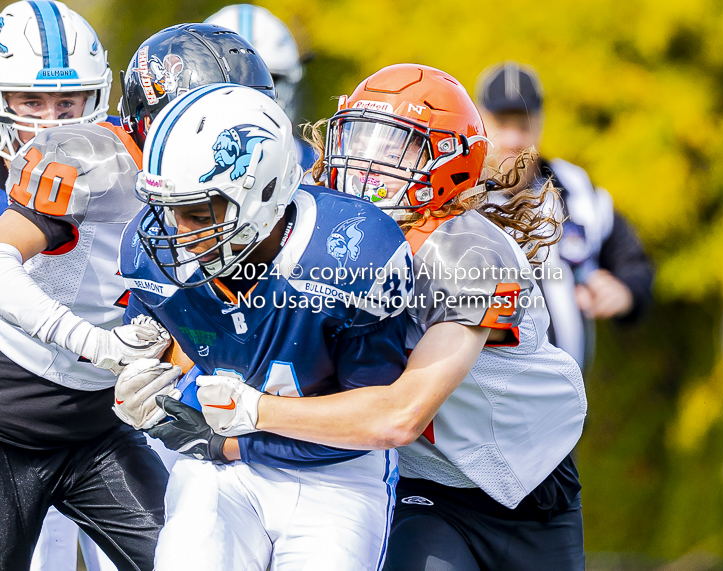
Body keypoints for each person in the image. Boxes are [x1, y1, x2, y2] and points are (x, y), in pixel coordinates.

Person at [196, 64, 588, 570]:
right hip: (423, 488)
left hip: (529, 482)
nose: (367, 162)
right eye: (360, 138)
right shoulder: (319, 229)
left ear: (449, 162)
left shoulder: (467, 255)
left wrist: (251, 416)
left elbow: (402, 414)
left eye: (394, 146)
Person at [114, 83, 413, 570]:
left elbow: (378, 418)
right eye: (166, 211)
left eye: (195, 213)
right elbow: (161, 361)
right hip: (221, 468)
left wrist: (256, 413)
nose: (177, 235)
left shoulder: (350, 253)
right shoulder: (152, 251)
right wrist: (140, 386)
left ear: (263, 193)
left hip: (334, 475)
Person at [0, 2, 174, 569]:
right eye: (31, 102)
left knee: (183, 556)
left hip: (98, 428)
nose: (52, 121)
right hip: (7, 429)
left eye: (68, 102)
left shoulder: (114, 166)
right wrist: (91, 342)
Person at [475, 60, 654, 370]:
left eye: (524, 125)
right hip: (479, 404)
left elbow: (634, 262)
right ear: (479, 122)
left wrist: (623, 292)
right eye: (502, 124)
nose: (514, 140)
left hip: (565, 408)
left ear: (541, 123)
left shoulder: (575, 189)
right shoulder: (460, 194)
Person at [205, 3, 317, 172]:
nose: (251, 98)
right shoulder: (172, 163)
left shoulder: (320, 170)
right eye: (233, 82)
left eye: (268, 79)